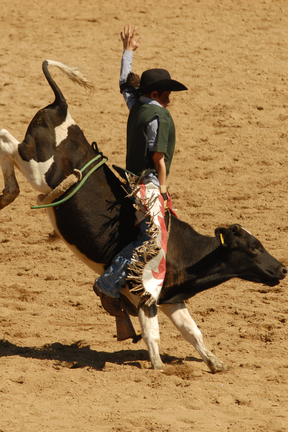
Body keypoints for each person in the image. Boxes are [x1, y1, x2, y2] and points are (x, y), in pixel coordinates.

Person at [94, 25, 187, 308]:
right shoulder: (157, 115)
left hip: (129, 180)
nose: (170, 99)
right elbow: (158, 157)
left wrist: (128, 52)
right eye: (167, 94)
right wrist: (163, 186)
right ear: (157, 93)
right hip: (147, 183)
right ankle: (108, 284)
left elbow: (124, 83)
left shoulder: (137, 105)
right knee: (153, 239)